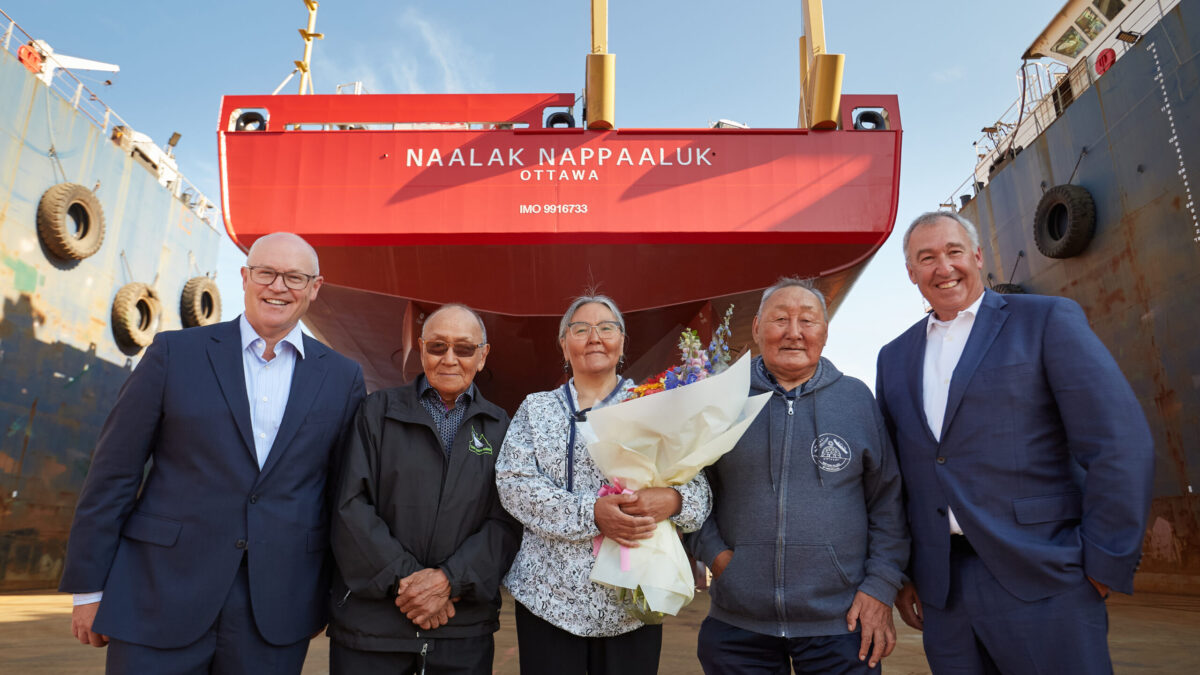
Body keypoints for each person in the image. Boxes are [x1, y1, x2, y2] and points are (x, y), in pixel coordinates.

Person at [58, 232, 365, 674]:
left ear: (315, 288)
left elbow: (338, 496)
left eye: (295, 277)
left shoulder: (343, 377)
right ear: (245, 276)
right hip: (158, 593)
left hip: (275, 608)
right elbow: (113, 473)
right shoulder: (173, 353)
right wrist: (89, 589)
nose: (279, 287)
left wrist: (323, 597)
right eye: (266, 273)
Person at [875, 212, 1155, 674]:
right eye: (926, 258)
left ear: (979, 257)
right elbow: (897, 476)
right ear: (912, 273)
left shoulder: (1046, 320)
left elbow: (1118, 443)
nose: (942, 267)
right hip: (943, 593)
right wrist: (904, 573)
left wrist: (1102, 565)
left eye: (954, 252)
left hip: (1045, 576)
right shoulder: (893, 357)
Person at [687, 277, 909, 674]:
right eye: (780, 320)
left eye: (807, 320)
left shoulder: (857, 401)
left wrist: (880, 587)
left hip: (842, 625)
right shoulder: (722, 398)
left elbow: (888, 504)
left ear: (825, 332)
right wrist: (718, 558)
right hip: (738, 625)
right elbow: (690, 490)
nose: (793, 332)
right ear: (756, 328)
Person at [495, 294, 712, 675]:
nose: (594, 337)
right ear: (563, 343)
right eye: (580, 329)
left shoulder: (654, 403)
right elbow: (515, 484)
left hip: (632, 600)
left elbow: (700, 494)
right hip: (548, 599)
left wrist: (672, 500)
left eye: (606, 328)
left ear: (623, 342)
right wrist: (592, 514)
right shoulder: (535, 408)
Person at [327, 303, 520, 674]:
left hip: (460, 631)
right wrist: (411, 585)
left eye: (464, 349)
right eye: (437, 347)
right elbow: (350, 505)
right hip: (373, 632)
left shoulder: (501, 427)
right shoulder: (376, 412)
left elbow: (506, 522)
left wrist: (449, 581)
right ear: (420, 348)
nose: (449, 359)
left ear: (482, 356)